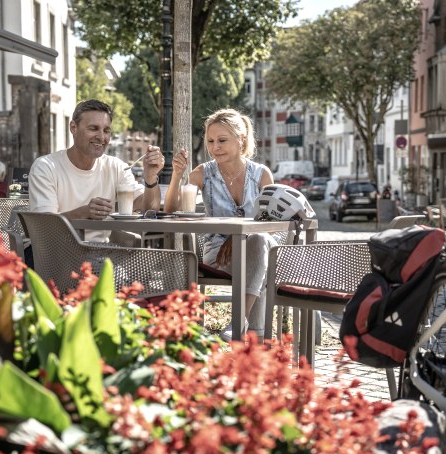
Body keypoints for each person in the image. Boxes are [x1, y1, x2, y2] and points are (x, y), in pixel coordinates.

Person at [164, 108, 277, 340]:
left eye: (222, 140)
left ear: (241, 139)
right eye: (211, 141)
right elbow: (171, 210)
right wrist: (177, 175)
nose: (215, 147)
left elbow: (271, 221)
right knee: (263, 260)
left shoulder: (262, 175)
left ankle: (239, 324)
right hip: (218, 255)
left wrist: (239, 240)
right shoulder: (203, 173)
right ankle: (255, 337)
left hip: (255, 249)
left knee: (260, 241)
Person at [29, 99, 165, 242]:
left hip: (102, 256)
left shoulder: (117, 167)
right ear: (73, 128)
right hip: (57, 257)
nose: (101, 137)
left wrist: (150, 178)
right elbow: (42, 227)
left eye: (106, 130)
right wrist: (83, 212)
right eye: (93, 128)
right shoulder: (46, 167)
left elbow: (148, 209)